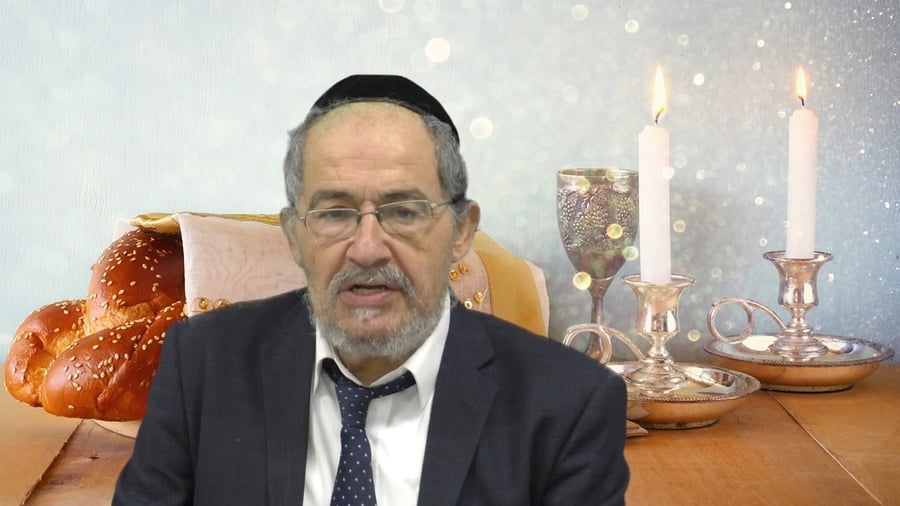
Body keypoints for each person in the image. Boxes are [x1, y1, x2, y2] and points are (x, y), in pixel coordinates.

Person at [113, 74, 629, 505]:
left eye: (403, 212)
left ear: (460, 232)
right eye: (334, 213)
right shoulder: (200, 366)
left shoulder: (569, 404)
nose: (366, 249)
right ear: (295, 236)